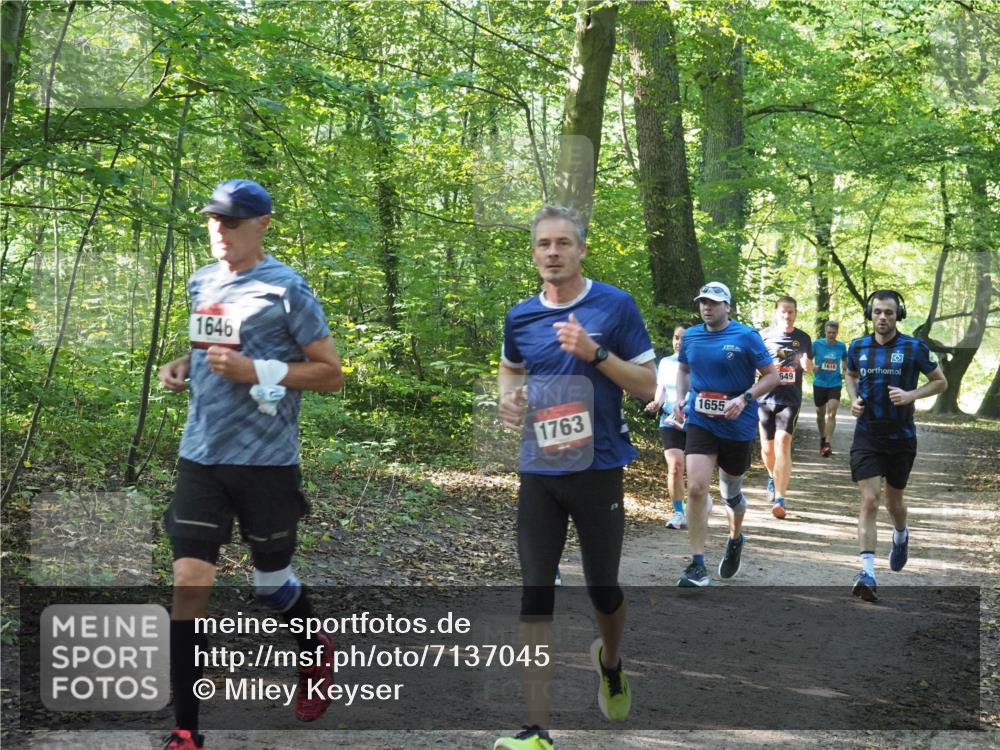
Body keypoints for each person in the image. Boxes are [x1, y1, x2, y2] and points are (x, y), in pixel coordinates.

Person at [157, 179, 344, 749]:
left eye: (232, 222)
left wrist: (259, 372)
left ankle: (315, 654)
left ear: (262, 224)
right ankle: (186, 730)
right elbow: (207, 344)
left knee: (270, 585)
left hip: (265, 462)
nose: (220, 230)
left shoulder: (288, 290)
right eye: (214, 219)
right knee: (190, 582)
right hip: (202, 457)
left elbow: (331, 374)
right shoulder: (202, 279)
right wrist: (181, 364)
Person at [494, 205, 656, 750]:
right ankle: (536, 728)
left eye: (564, 243)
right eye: (544, 245)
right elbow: (512, 366)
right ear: (535, 252)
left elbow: (648, 385)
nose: (553, 253)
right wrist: (508, 400)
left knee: (602, 588)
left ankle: (610, 662)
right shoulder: (520, 316)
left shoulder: (614, 306)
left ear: (581, 250)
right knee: (534, 591)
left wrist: (596, 352)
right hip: (539, 469)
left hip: (598, 468)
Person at [673, 283, 778, 587]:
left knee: (731, 493)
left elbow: (771, 376)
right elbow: (683, 370)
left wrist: (744, 398)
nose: (707, 307)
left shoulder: (746, 336)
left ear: (728, 307)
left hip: (737, 421)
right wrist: (681, 399)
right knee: (696, 488)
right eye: (703, 302)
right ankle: (697, 564)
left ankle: (735, 537)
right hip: (701, 420)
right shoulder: (691, 335)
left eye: (714, 303)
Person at [844, 290, 946, 602]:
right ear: (870, 314)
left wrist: (911, 395)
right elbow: (850, 374)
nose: (883, 317)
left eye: (889, 312)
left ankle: (901, 535)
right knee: (870, 500)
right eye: (877, 312)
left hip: (901, 438)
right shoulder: (857, 346)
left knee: (894, 503)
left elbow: (940, 381)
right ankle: (868, 572)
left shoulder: (914, 347)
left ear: (897, 315)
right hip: (867, 435)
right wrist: (853, 400)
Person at [757, 296, 812, 519]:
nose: (787, 316)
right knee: (768, 449)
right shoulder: (763, 336)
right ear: (776, 313)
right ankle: (772, 477)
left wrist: (808, 366)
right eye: (783, 312)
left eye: (791, 312)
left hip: (790, 399)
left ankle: (780, 498)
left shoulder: (803, 338)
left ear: (796, 313)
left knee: (782, 444)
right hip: (765, 398)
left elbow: (809, 367)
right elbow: (754, 364)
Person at [644, 324, 689, 529]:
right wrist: (655, 404)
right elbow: (660, 392)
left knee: (696, 472)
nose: (678, 342)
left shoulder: (700, 362)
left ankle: (697, 504)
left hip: (696, 422)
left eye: (683, 338)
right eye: (676, 337)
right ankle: (678, 512)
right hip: (669, 420)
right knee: (675, 466)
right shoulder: (665, 363)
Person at [812, 319, 848, 456]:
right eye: (829, 332)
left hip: (835, 383)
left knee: (832, 413)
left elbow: (845, 359)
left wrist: (845, 370)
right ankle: (822, 438)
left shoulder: (841, 346)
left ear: (837, 333)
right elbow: (806, 358)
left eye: (833, 333)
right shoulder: (817, 344)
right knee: (820, 415)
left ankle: (827, 443)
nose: (831, 335)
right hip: (819, 383)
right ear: (825, 332)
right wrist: (811, 367)